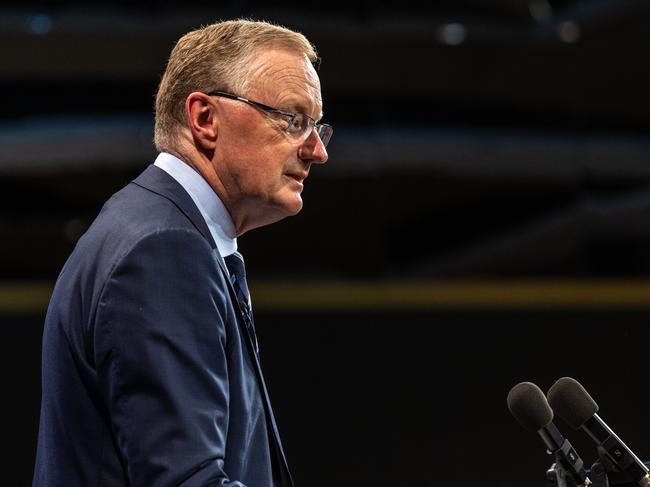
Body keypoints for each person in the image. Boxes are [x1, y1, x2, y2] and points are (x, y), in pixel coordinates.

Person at [33, 19, 331, 487]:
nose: (316, 150)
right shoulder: (161, 251)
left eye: (317, 126)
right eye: (293, 119)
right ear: (205, 119)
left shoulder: (154, 228)